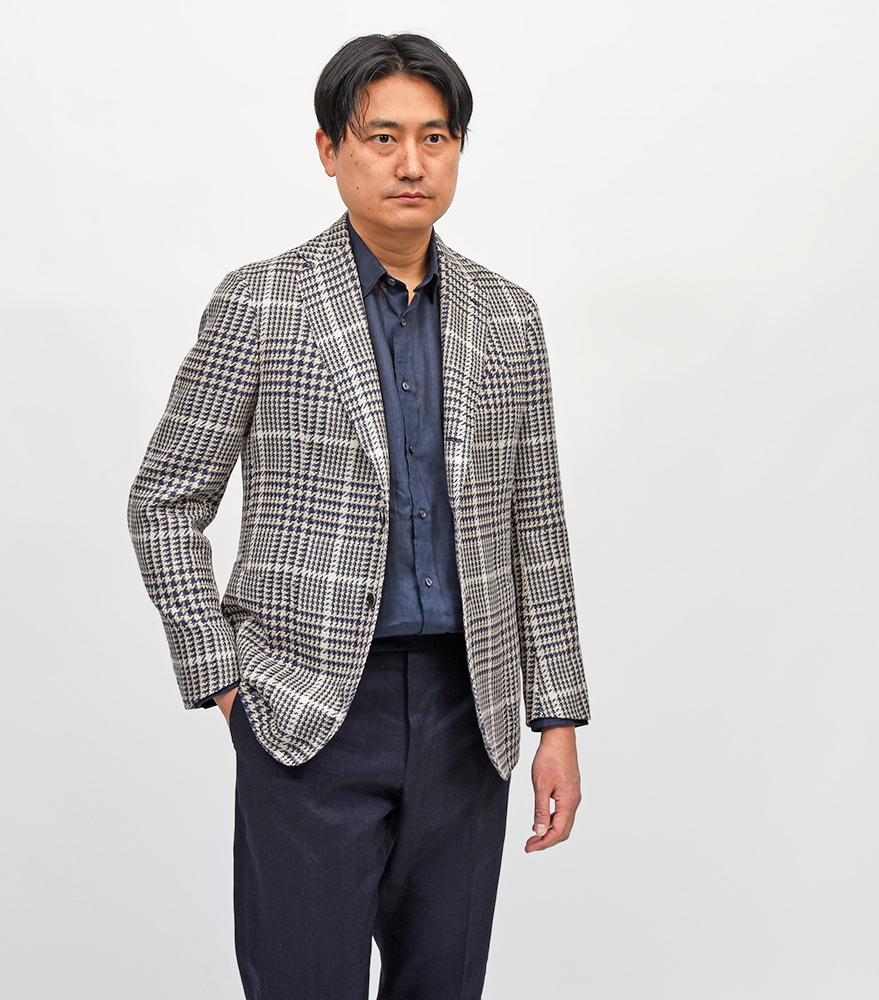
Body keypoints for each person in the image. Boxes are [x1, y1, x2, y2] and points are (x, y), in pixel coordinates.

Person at [128, 32, 590, 1000]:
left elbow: (536, 531)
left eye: (435, 137)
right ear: (329, 150)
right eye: (383, 137)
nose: (411, 162)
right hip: (308, 709)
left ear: (458, 150)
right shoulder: (261, 303)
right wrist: (223, 678)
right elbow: (165, 499)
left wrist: (556, 718)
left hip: (471, 713)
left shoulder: (509, 317)